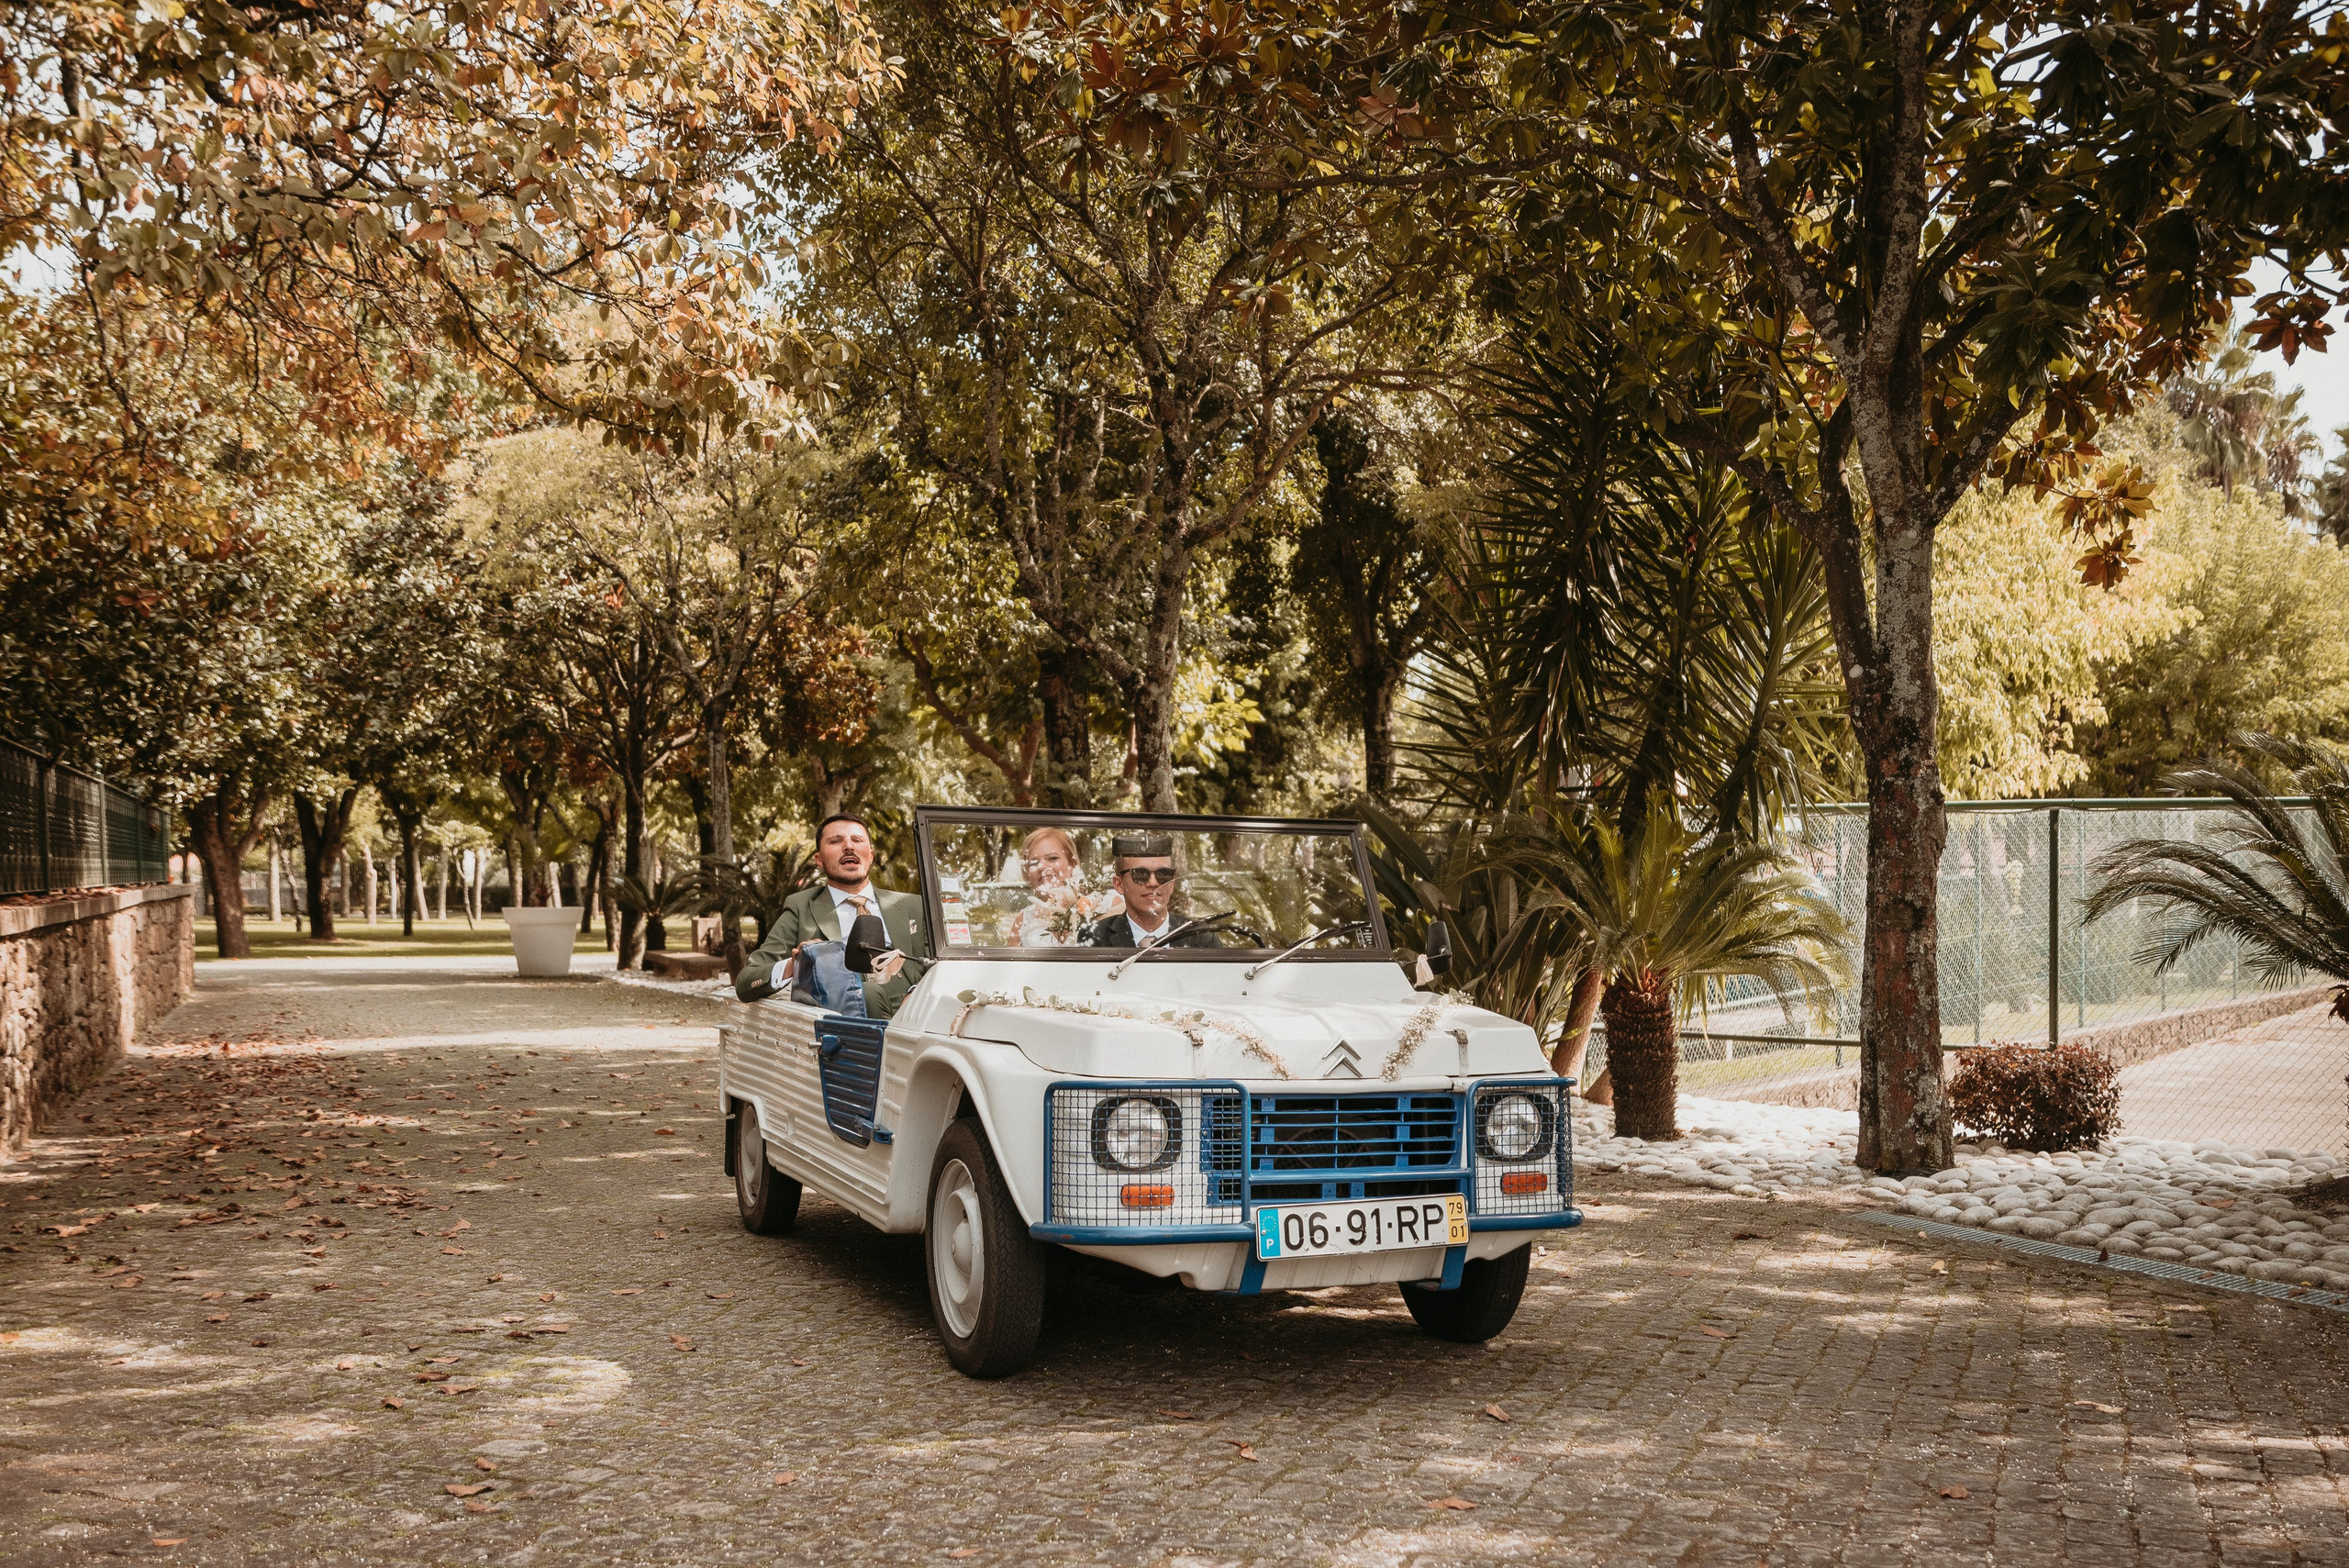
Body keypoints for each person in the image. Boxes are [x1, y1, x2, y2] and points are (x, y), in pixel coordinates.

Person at [736, 814, 931, 1018]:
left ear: (871, 856)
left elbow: (943, 964)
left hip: (918, 1014)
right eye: (836, 841)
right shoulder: (801, 907)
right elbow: (746, 981)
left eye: (857, 840)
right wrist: (796, 965)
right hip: (849, 1021)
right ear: (819, 860)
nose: (849, 846)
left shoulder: (913, 905)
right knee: (870, 994)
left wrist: (916, 996)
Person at [1082, 833, 1220, 949]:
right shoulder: (1095, 937)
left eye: (1163, 874)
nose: (1153, 883)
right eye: (1140, 874)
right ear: (1119, 884)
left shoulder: (1202, 938)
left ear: (1171, 884)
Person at [1007, 826, 1121, 947]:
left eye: (1052, 858)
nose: (1041, 867)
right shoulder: (1023, 920)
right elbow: (1011, 965)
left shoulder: (1110, 905)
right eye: (1033, 863)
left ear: (1072, 864)